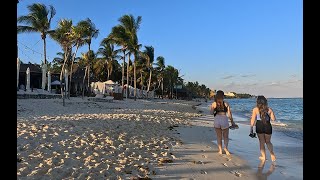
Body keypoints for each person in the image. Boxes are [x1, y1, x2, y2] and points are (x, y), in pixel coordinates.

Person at [250, 95, 276, 162]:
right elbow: (273, 119)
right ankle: (272, 153)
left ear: (257, 102)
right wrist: (271, 113)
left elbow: (253, 119)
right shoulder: (269, 109)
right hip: (268, 125)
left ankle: (263, 157)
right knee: (268, 141)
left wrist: (251, 128)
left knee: (261, 142)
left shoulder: (255, 109)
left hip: (259, 125)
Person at [210, 90, 236, 155]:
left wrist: (214, 111)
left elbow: (211, 113)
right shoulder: (226, 103)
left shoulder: (214, 104)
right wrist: (232, 122)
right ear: (223, 96)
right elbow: (229, 114)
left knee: (219, 137)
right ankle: (226, 149)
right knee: (226, 137)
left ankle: (220, 150)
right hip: (224, 119)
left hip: (217, 119)